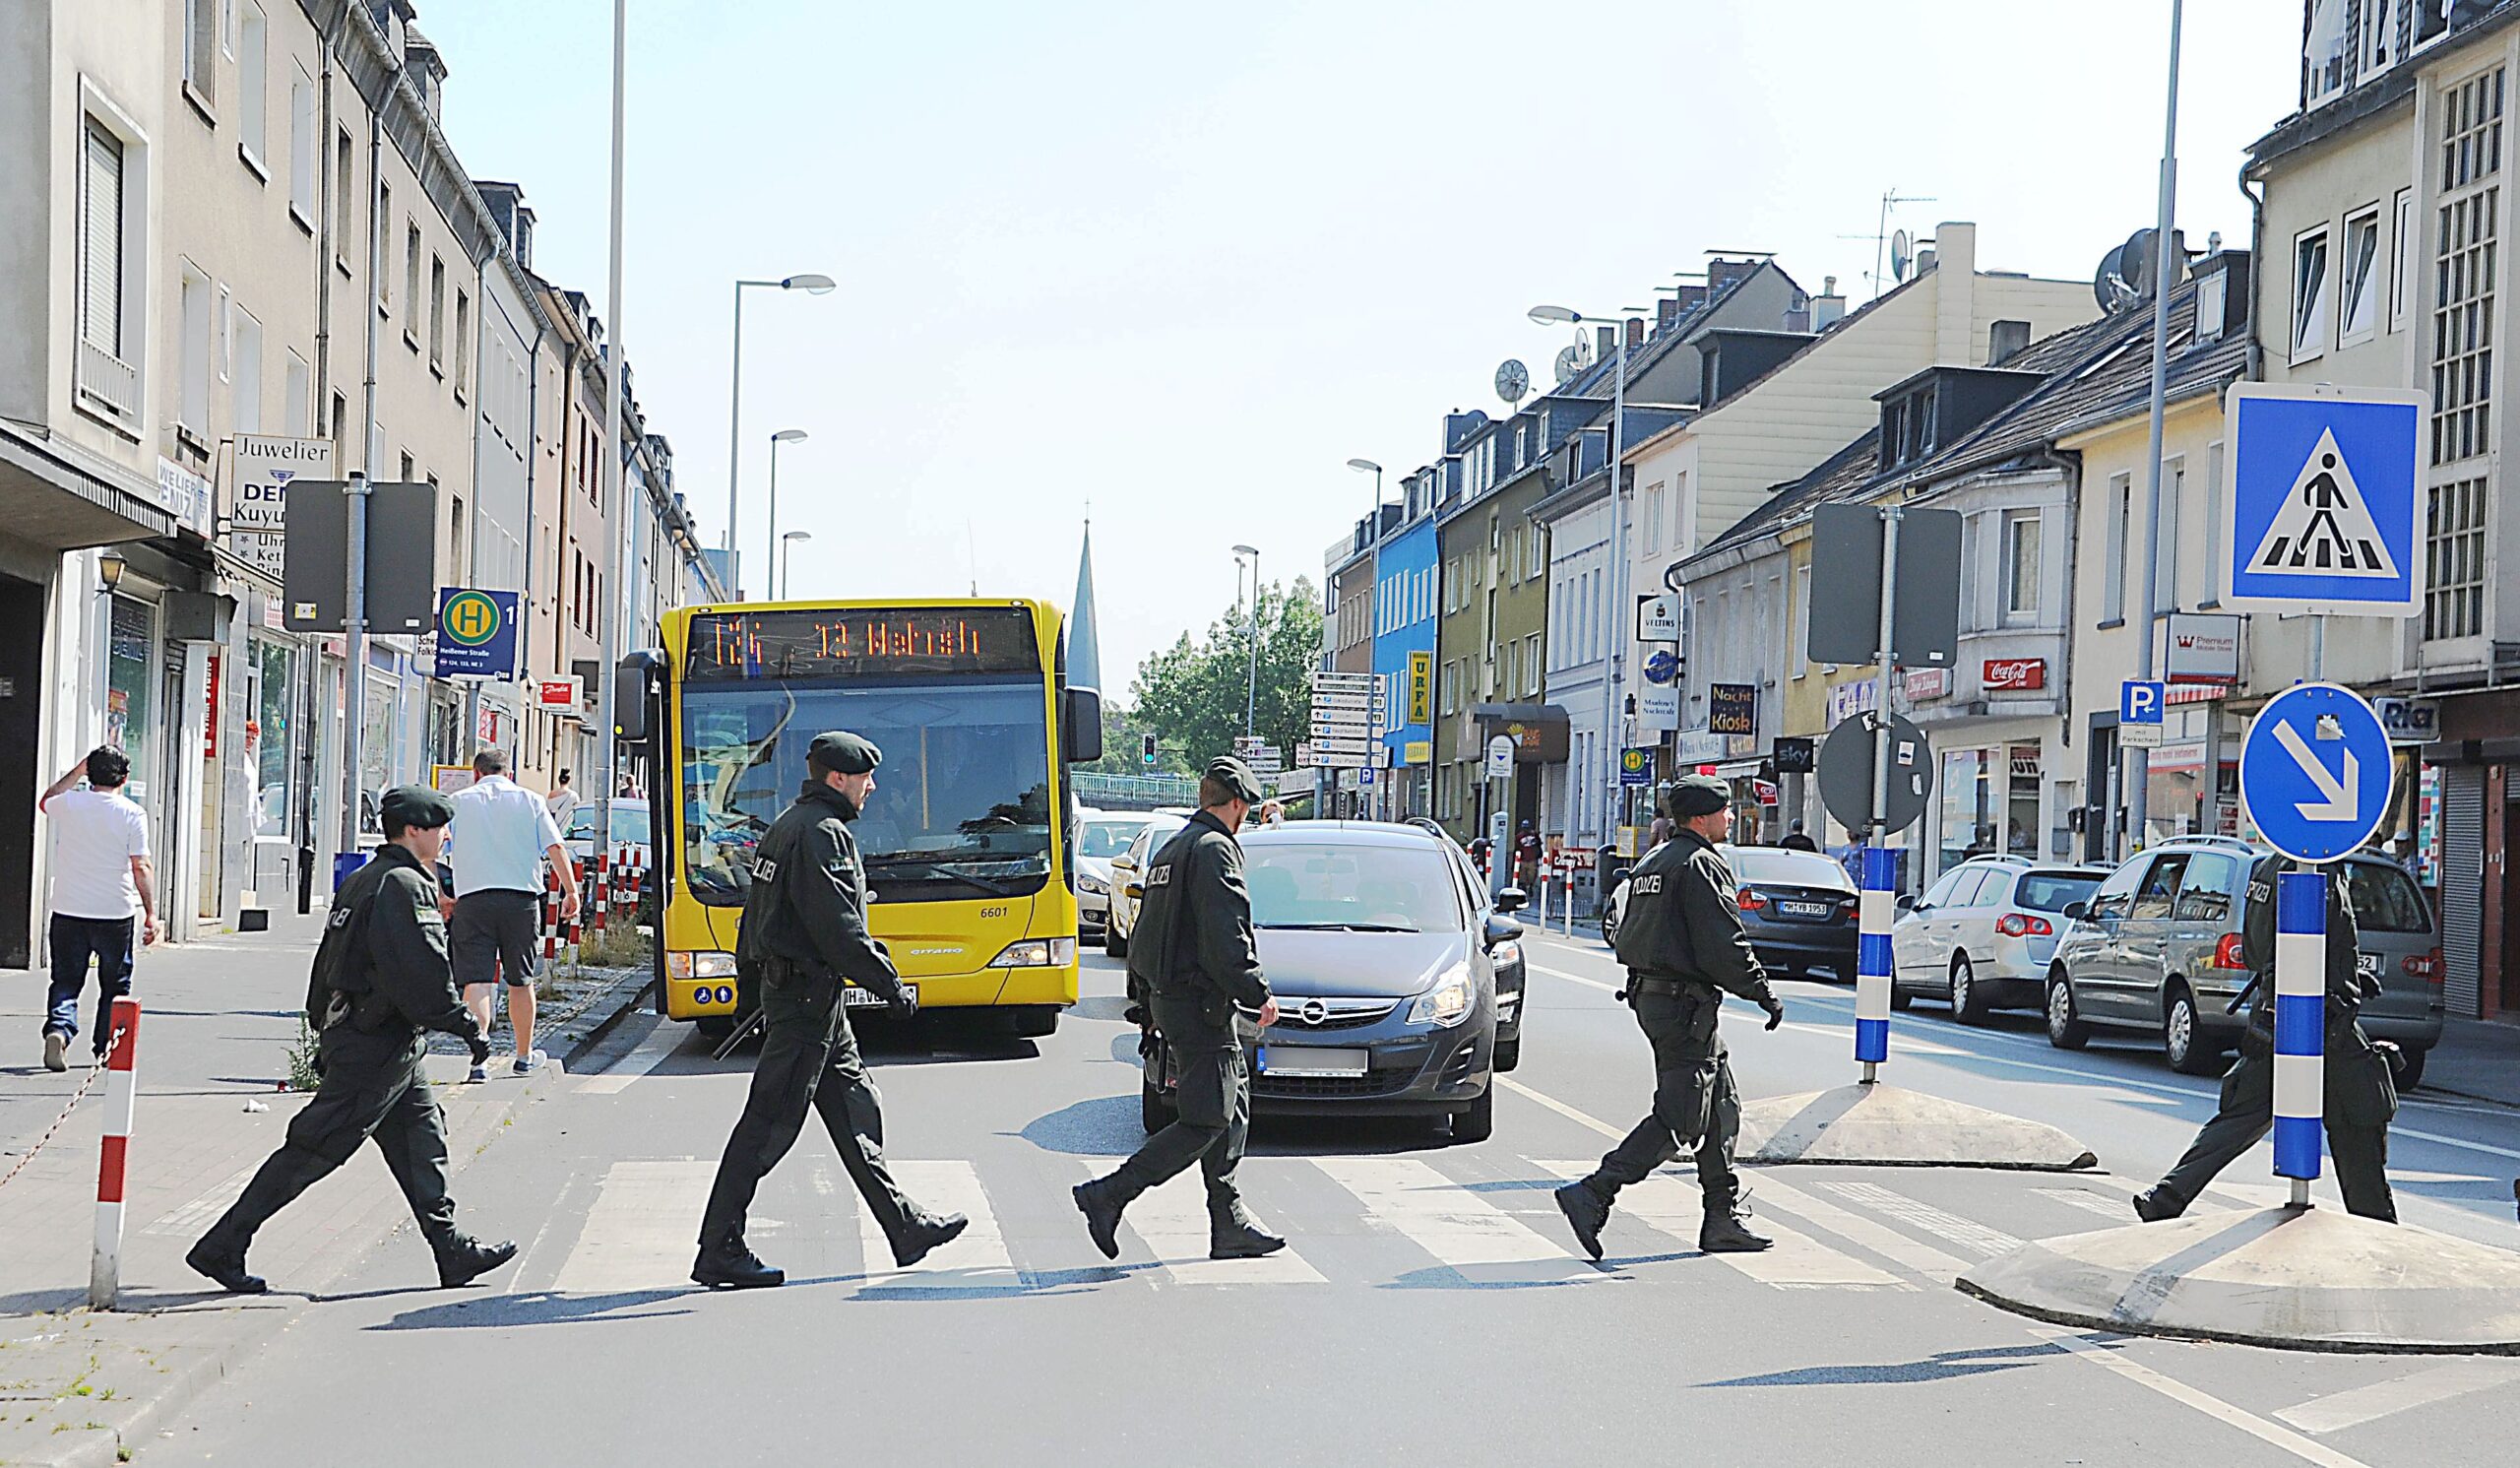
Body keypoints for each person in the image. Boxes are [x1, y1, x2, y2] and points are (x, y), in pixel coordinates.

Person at [186, 788, 516, 1295]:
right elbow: (422, 972)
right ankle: (224, 1244)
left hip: (385, 1043)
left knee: (422, 1141)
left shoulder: (365, 879)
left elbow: (328, 960)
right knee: (314, 1148)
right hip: (375, 1045)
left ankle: (450, 1250)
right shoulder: (405, 885)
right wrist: (467, 1026)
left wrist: (323, 1026)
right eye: (439, 828)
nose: (445, 837)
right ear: (413, 831)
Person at [692, 732, 968, 1289]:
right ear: (838, 779)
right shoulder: (825, 836)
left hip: (808, 999)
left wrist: (751, 988)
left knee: (854, 1111)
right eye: (865, 778)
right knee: (767, 1126)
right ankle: (719, 1245)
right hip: (806, 1002)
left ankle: (904, 1225)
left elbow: (755, 916)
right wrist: (891, 985)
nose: (872, 787)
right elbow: (839, 928)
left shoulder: (788, 825)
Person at [1555, 775, 1787, 1259]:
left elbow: (1625, 932)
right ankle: (1595, 1191)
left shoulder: (1654, 860)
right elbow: (1722, 938)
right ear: (1702, 818)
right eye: (1724, 811)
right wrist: (1761, 991)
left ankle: (1721, 1220)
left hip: (1659, 997)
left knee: (1721, 1108)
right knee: (1681, 1117)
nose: (1729, 818)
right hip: (1683, 1007)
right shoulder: (1700, 863)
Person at [1075, 756, 1286, 1261]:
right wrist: (1257, 991)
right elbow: (1226, 934)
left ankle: (1228, 1220)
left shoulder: (1174, 847)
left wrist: (1148, 1001)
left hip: (1177, 1000)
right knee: (1207, 1118)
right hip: (1202, 1004)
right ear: (1236, 804)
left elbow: (1145, 934)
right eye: (1246, 809)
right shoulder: (1216, 850)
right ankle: (1108, 1194)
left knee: (1231, 1106)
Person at [2134, 854, 2398, 1223]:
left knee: (2244, 1112)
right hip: (2314, 1018)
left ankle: (2168, 1195)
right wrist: (2280, 1009)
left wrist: (2349, 976)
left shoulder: (2268, 867)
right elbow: (2292, 943)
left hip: (2292, 1009)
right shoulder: (2312, 868)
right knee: (2358, 1113)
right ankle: (2376, 1224)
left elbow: (2273, 944)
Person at [448, 748, 581, 1081]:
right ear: (509, 774)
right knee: (520, 981)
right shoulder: (531, 800)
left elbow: (434, 846)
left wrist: (440, 894)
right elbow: (555, 847)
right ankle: (523, 1057)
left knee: (476, 983)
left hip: (472, 900)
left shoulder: (459, 801)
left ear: (476, 773)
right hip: (520, 901)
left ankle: (478, 1062)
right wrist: (571, 891)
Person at [37, 748, 158, 1071]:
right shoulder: (132, 813)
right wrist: (151, 912)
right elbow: (141, 866)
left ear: (90, 773)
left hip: (68, 907)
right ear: (125, 778)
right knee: (115, 982)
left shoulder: (71, 804)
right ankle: (105, 1046)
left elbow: (46, 799)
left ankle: (59, 1029)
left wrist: (76, 771)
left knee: (65, 978)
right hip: (114, 912)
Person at [1515, 820, 1543, 889]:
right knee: (1523, 874)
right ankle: (1524, 885)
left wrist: (1539, 853)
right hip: (1523, 858)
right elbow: (1517, 847)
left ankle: (1530, 885)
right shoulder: (1519, 836)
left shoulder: (1534, 835)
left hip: (1532, 858)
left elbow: (1538, 844)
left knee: (1532, 874)